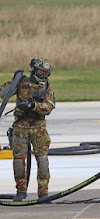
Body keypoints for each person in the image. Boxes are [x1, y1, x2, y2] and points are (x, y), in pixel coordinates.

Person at [0, 58, 55, 201]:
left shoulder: (46, 88)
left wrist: (33, 106)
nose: (42, 75)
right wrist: (14, 81)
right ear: (33, 69)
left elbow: (49, 107)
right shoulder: (22, 82)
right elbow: (2, 94)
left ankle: (43, 192)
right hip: (20, 127)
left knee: (42, 159)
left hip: (39, 128)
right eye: (40, 71)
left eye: (45, 73)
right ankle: (21, 191)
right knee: (19, 160)